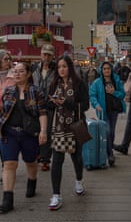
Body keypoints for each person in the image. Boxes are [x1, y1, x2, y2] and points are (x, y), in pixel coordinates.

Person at [0, 62, 48, 213]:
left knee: (30, 162)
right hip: (9, 133)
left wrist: (43, 131)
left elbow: (42, 113)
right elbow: (1, 113)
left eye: (20, 71)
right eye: (15, 71)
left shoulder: (36, 92)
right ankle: (7, 199)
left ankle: (32, 181)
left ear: (28, 74)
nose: (16, 74)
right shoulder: (8, 91)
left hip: (29, 134)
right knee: (9, 164)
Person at [47, 55, 89, 210]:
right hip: (58, 127)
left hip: (76, 126)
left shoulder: (79, 84)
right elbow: (48, 104)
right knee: (57, 160)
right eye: (59, 67)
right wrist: (52, 102)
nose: (61, 70)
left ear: (70, 68)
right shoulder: (53, 84)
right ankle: (56, 195)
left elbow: (85, 105)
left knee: (76, 158)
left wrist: (68, 103)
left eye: (64, 66)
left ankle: (79, 180)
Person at [89, 61, 126, 166]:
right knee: (108, 131)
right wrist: (96, 105)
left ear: (111, 69)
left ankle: (109, 152)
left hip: (114, 110)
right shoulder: (97, 82)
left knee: (112, 132)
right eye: (104, 68)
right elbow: (92, 95)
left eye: (108, 68)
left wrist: (113, 92)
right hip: (103, 111)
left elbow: (122, 94)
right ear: (101, 70)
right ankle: (110, 154)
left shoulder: (116, 80)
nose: (106, 70)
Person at [32, 44, 56, 172]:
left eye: (49, 55)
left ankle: (46, 159)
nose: (46, 57)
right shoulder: (35, 67)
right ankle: (38, 155)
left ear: (53, 56)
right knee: (36, 131)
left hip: (49, 106)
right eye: (44, 54)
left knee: (47, 132)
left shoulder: (56, 69)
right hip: (36, 105)